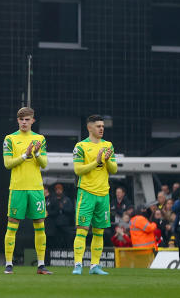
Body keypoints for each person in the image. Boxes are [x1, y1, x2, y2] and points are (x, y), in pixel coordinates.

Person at [1, 106, 50, 275]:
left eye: (27, 119)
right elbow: (7, 164)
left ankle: (41, 265)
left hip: (36, 188)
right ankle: (8, 264)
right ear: (17, 121)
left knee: (40, 226)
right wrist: (25, 155)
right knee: (12, 226)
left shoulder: (39, 139)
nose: (24, 122)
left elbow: (44, 163)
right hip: (18, 188)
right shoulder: (10, 139)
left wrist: (35, 153)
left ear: (33, 121)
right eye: (21, 119)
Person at [71, 114, 117, 275]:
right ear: (89, 127)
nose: (102, 128)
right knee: (82, 230)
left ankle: (94, 266)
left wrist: (107, 159)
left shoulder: (108, 145)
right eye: (98, 126)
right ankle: (77, 264)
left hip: (103, 194)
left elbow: (114, 169)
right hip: (87, 193)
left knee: (99, 231)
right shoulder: (81, 146)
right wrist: (96, 162)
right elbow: (78, 170)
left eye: (103, 126)